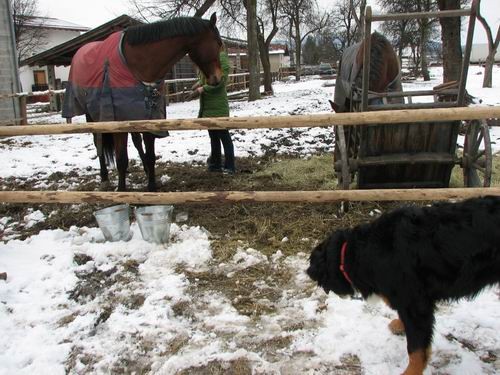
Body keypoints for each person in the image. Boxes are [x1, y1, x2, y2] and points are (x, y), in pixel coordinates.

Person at [193, 47, 235, 173]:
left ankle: (230, 166)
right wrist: (198, 84)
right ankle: (215, 164)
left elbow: (220, 83)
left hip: (218, 106)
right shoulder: (207, 59)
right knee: (213, 137)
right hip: (208, 106)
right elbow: (206, 78)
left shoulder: (221, 58)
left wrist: (203, 89)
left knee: (224, 136)